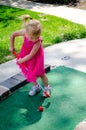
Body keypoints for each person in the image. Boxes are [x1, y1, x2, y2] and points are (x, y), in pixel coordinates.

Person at [9, 15, 51, 97]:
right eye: (31, 38)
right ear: (27, 32)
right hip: (25, 54)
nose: (33, 39)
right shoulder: (25, 32)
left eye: (35, 38)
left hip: (36, 57)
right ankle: (36, 86)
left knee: (41, 73)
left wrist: (22, 60)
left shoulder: (38, 41)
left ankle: (47, 87)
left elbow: (31, 55)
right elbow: (13, 34)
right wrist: (11, 46)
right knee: (29, 71)